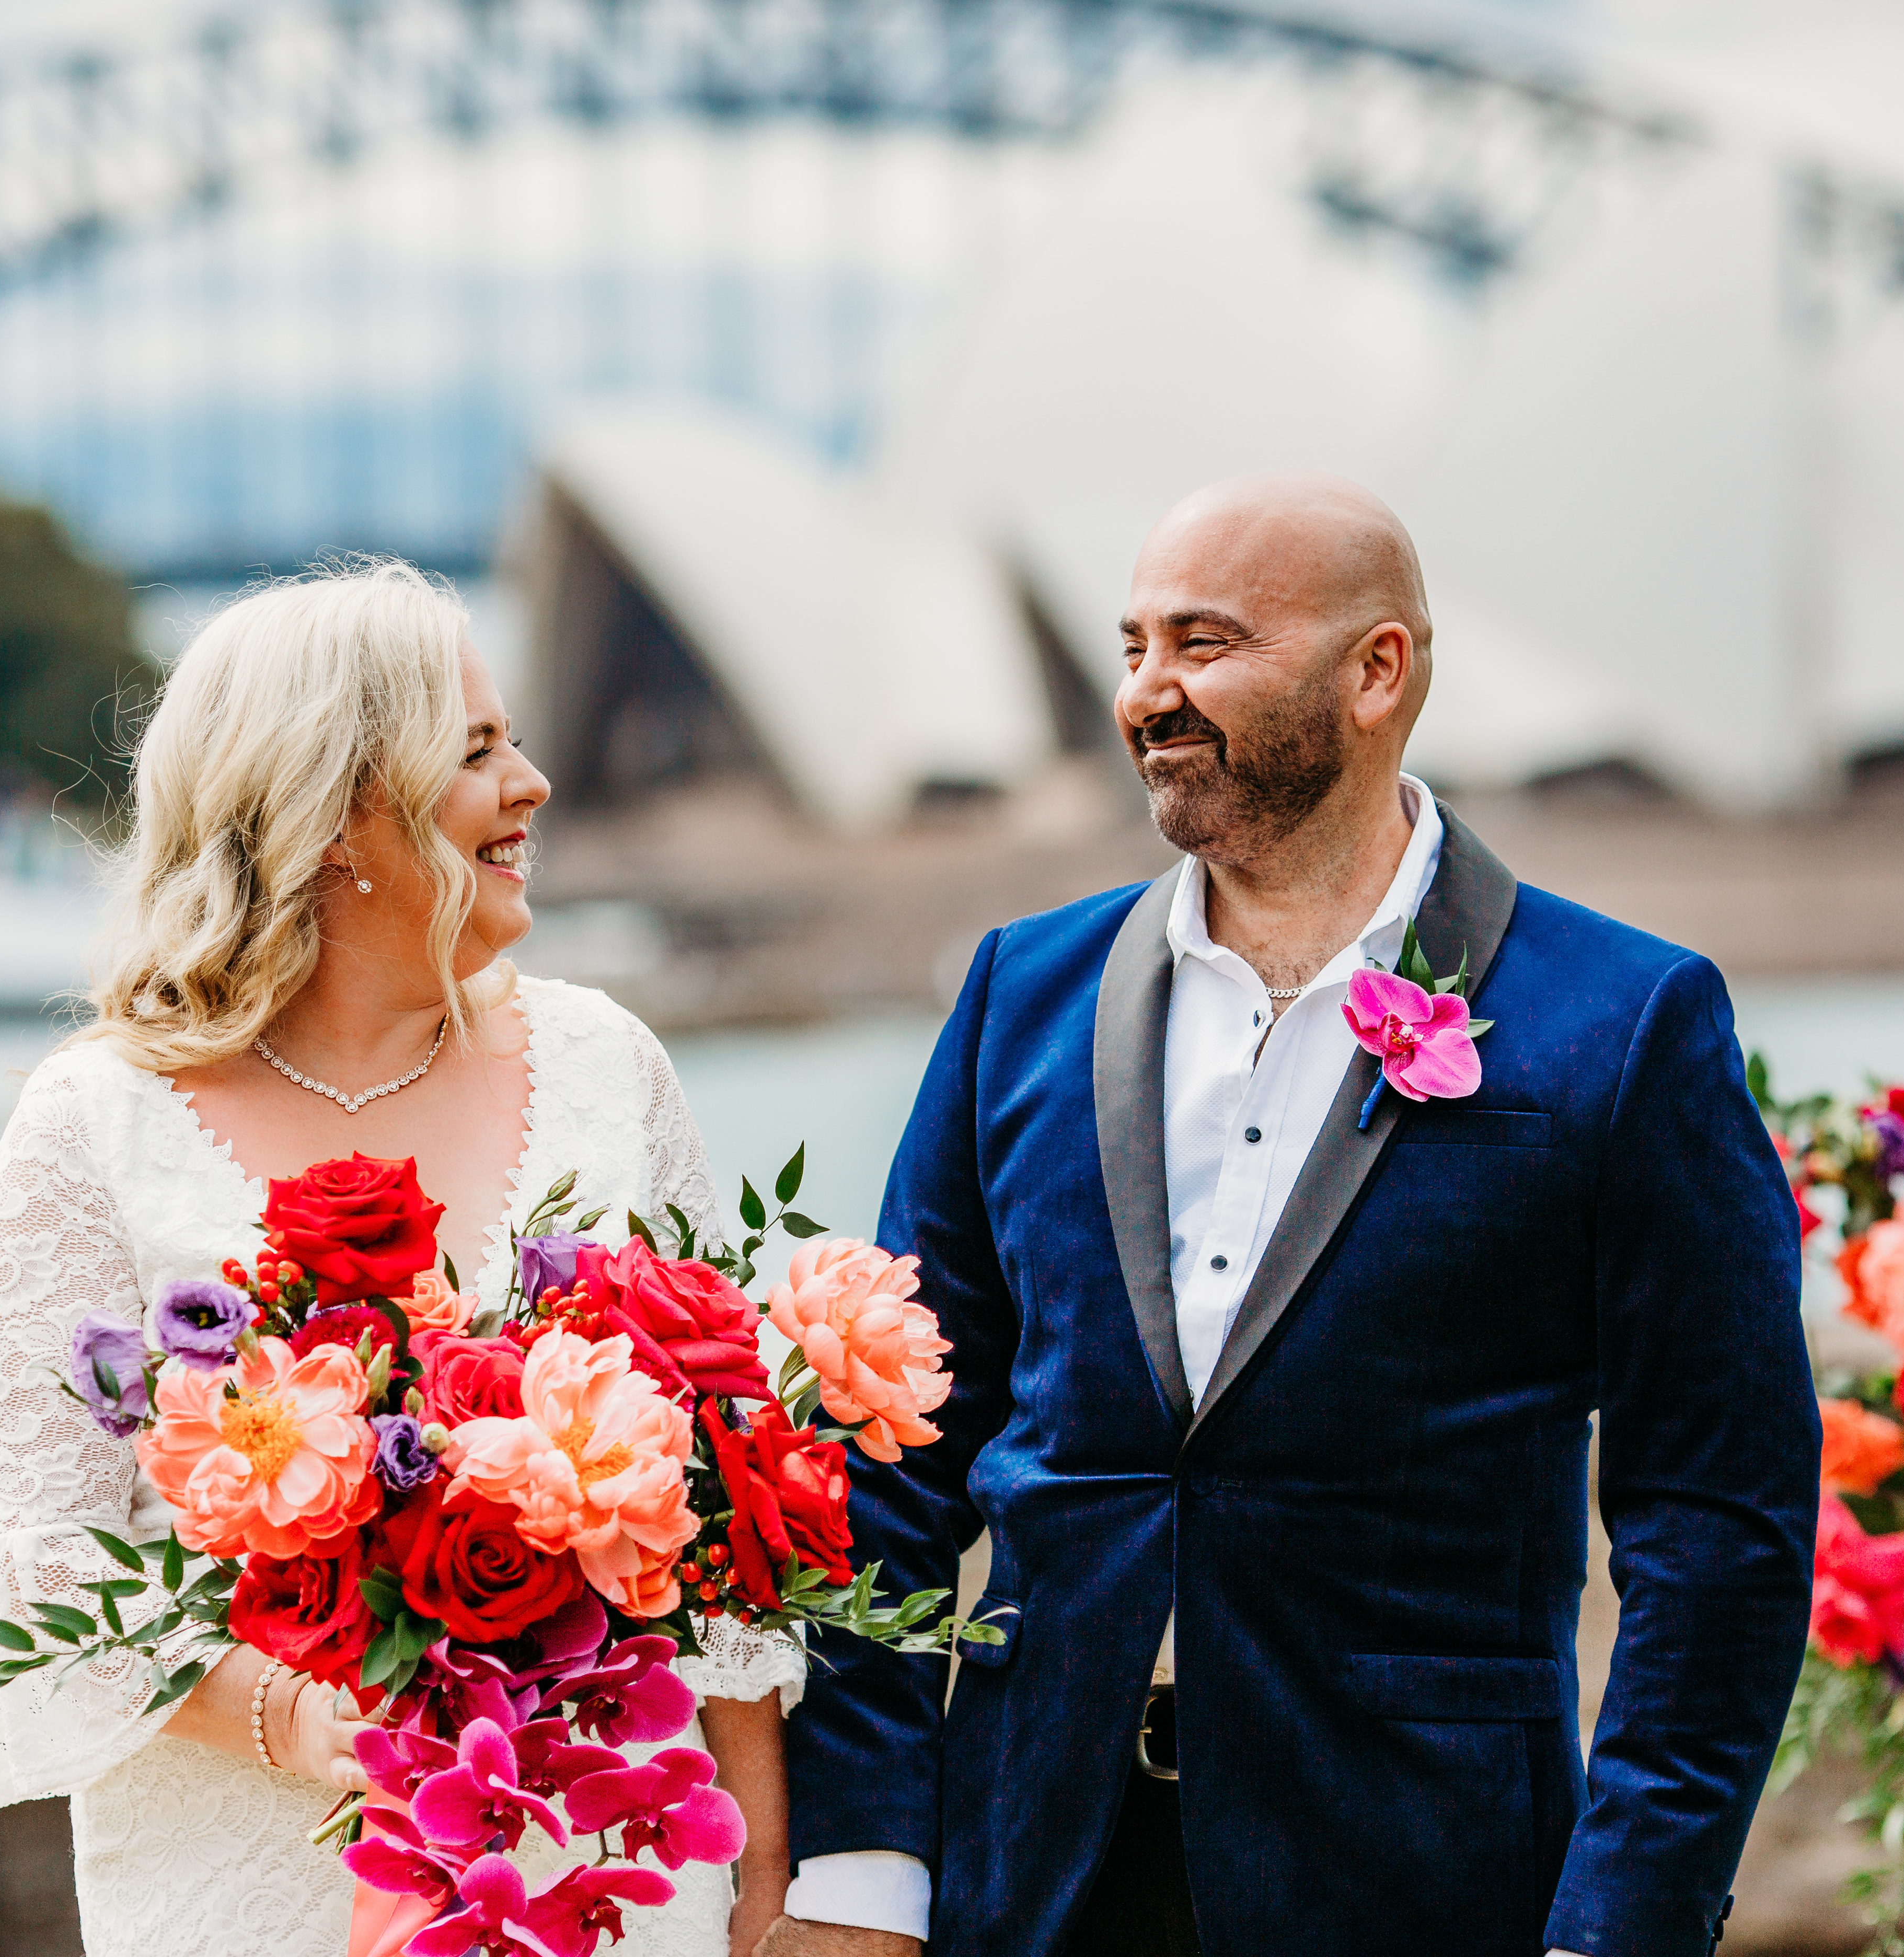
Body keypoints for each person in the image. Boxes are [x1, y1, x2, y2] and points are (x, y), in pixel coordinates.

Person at [764, 475, 1820, 1956]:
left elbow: (1718, 1527)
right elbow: (886, 1452)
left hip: (1427, 1885)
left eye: (1203, 643)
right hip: (1032, 1878)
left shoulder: (1625, 1022)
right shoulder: (1018, 996)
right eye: (1134, 646)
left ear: (1376, 672)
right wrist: (864, 1863)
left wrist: (1622, 1923)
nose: (1148, 691)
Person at [0, 560, 800, 1957]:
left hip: (604, 1862)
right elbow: (43, 1565)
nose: (533, 783)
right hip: (251, 1878)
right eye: (478, 752)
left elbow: (727, 1520)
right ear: (335, 814)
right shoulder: (94, 1128)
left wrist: (766, 1883)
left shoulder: (607, 1069)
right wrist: (291, 1714)